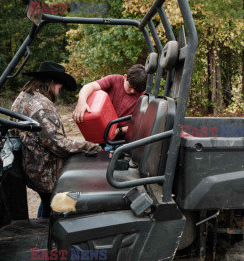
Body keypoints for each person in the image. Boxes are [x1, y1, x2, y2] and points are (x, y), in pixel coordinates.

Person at [12, 62, 101, 218]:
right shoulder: (42, 107)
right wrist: (91, 146)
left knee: (46, 202)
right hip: (45, 170)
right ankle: (48, 233)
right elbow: (58, 144)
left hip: (30, 164)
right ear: (51, 82)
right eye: (59, 84)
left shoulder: (23, 97)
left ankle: (42, 226)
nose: (60, 89)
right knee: (54, 207)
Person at [72, 64, 147, 141]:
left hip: (123, 139)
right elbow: (90, 86)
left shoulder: (143, 97)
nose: (132, 91)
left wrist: (119, 130)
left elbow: (141, 126)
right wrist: (81, 102)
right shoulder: (114, 80)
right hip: (103, 131)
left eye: (136, 90)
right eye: (130, 87)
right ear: (125, 77)